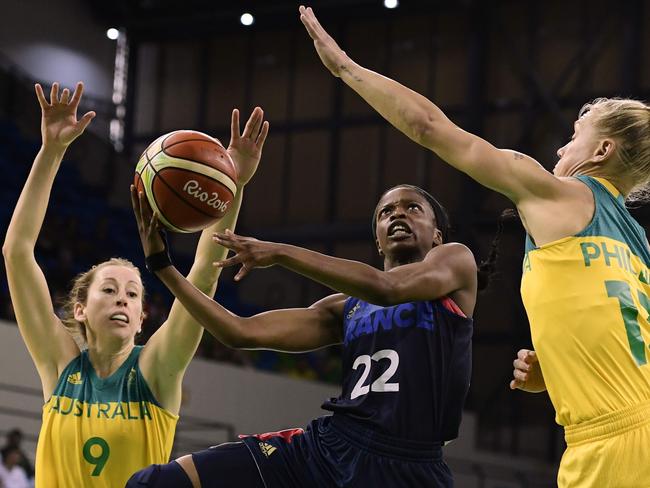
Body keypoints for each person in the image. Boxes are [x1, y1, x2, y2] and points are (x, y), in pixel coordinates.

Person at [298, 5, 650, 487]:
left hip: (614, 444)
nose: (560, 151)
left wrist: (346, 68)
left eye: (572, 139)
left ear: (601, 152)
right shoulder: (637, 245)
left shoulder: (560, 193)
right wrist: (556, 368)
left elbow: (430, 128)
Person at [126, 181, 488, 488]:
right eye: (386, 211)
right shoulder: (346, 307)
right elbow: (239, 331)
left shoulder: (455, 263)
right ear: (377, 241)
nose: (398, 214)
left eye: (413, 208)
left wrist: (280, 252)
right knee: (158, 482)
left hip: (411, 468)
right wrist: (162, 266)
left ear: (437, 235)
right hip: (331, 450)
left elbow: (386, 288)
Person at [1, 81, 268, 487]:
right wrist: (51, 151)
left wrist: (234, 187)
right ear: (80, 310)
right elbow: (17, 252)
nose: (122, 300)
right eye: (108, 290)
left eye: (132, 294)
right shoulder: (60, 367)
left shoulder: (156, 369)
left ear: (143, 318)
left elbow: (204, 273)